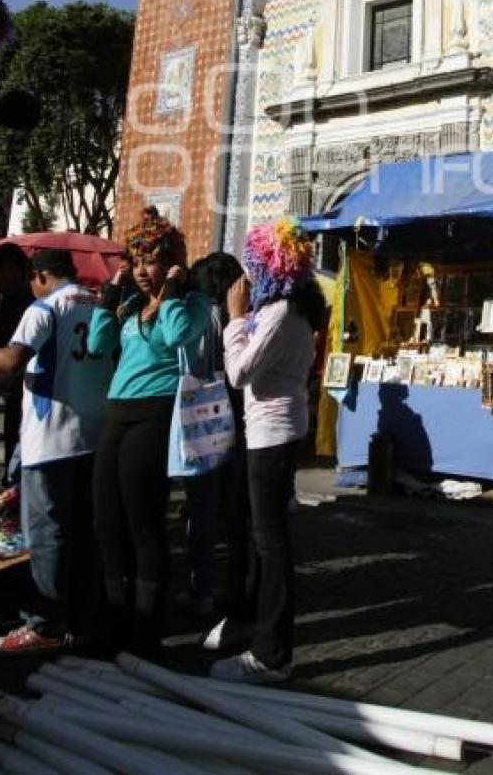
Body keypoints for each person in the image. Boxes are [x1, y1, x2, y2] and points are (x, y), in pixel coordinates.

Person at [87, 206, 210, 655]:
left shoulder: (192, 304)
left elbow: (179, 335)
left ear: (172, 260)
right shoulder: (132, 305)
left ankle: (145, 627)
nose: (141, 271)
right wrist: (108, 296)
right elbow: (98, 345)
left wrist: (175, 285)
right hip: (118, 412)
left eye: (150, 261)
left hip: (155, 413)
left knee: (142, 522)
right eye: (135, 261)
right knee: (105, 520)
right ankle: (114, 618)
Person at [210, 216, 326, 684]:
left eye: (256, 265)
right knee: (264, 539)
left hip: (271, 438)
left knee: (271, 543)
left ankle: (272, 654)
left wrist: (236, 319)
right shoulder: (295, 310)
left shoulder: (279, 316)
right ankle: (255, 627)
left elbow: (239, 373)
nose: (250, 276)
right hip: (275, 432)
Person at [0, 248, 113, 652]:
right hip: (92, 434)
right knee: (82, 533)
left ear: (40, 275)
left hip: (51, 437)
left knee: (46, 535)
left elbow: (12, 358)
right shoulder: (99, 303)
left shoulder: (44, 308)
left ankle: (44, 624)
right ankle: (82, 618)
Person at [175, 250, 245, 619]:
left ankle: (202, 586)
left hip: (203, 418)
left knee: (201, 506)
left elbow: (196, 369)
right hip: (237, 415)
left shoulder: (203, 316)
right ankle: (235, 584)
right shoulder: (242, 319)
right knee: (232, 507)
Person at [0, 243, 33, 483]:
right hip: (15, 397)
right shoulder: (10, 301)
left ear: (11, 269)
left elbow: (10, 358)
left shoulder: (30, 305)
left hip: (29, 399)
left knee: (20, 469)